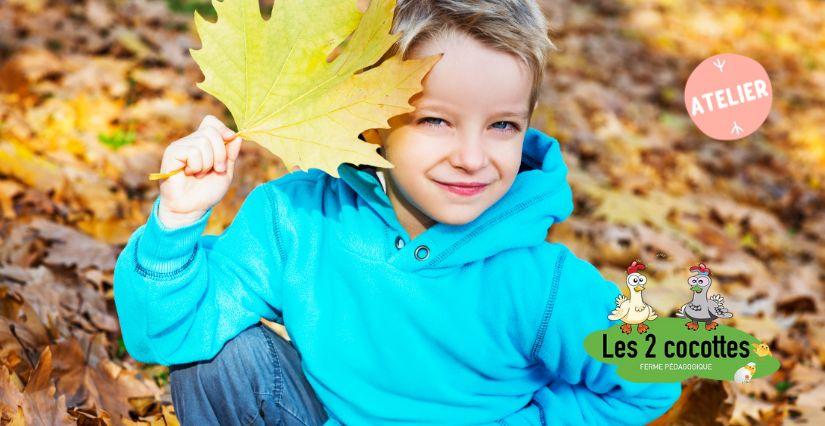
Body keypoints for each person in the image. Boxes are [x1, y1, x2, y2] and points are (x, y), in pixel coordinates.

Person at [113, 0, 683, 424]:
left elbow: (653, 378)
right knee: (221, 359)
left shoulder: (538, 283)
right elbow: (168, 336)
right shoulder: (299, 221)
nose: (472, 157)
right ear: (372, 120)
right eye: (436, 120)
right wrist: (176, 224)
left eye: (503, 125)